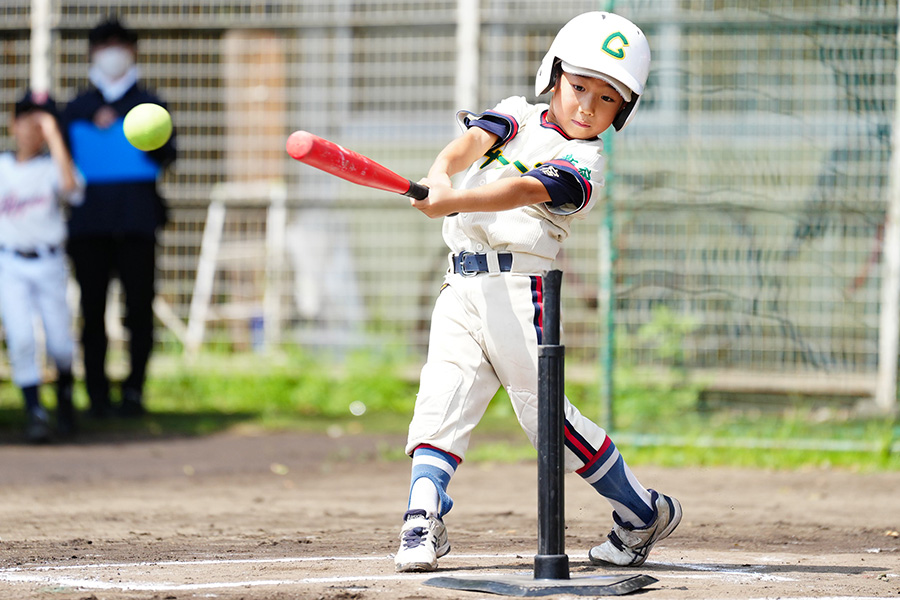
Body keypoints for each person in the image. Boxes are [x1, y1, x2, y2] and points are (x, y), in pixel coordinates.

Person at [394, 11, 681, 572]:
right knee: (442, 395)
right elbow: (470, 142)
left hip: (523, 290)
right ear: (553, 73)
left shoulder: (587, 159)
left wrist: (452, 201)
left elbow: (522, 189)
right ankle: (422, 515)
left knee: (544, 418)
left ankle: (642, 510)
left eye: (607, 99)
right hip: (461, 284)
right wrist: (441, 174)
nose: (586, 107)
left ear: (623, 111)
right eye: (578, 87)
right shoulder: (518, 113)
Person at [61, 16, 176, 418]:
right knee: (91, 310)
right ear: (93, 52)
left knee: (138, 310)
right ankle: (95, 395)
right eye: (104, 44)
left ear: (133, 51)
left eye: (120, 44)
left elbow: (167, 157)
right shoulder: (76, 108)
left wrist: (134, 127)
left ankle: (134, 391)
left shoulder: (151, 105)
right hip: (89, 226)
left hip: (137, 223)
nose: (112, 52)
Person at [0, 90, 84, 442]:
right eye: (27, 120)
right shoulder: (3, 166)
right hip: (10, 262)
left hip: (49, 262)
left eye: (41, 121)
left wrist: (54, 137)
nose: (32, 128)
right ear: (13, 124)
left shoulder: (54, 166)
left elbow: (72, 190)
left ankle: (65, 400)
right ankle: (35, 412)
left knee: (61, 345)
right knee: (20, 339)